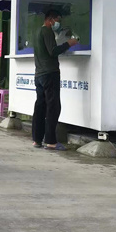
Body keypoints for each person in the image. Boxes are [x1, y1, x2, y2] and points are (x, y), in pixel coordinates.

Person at [31, 9, 78, 151]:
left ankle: (37, 139)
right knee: (53, 107)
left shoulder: (37, 32)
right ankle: (51, 142)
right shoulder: (47, 31)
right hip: (50, 74)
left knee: (40, 106)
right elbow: (53, 51)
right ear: (50, 19)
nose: (58, 23)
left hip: (39, 74)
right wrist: (69, 43)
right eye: (57, 20)